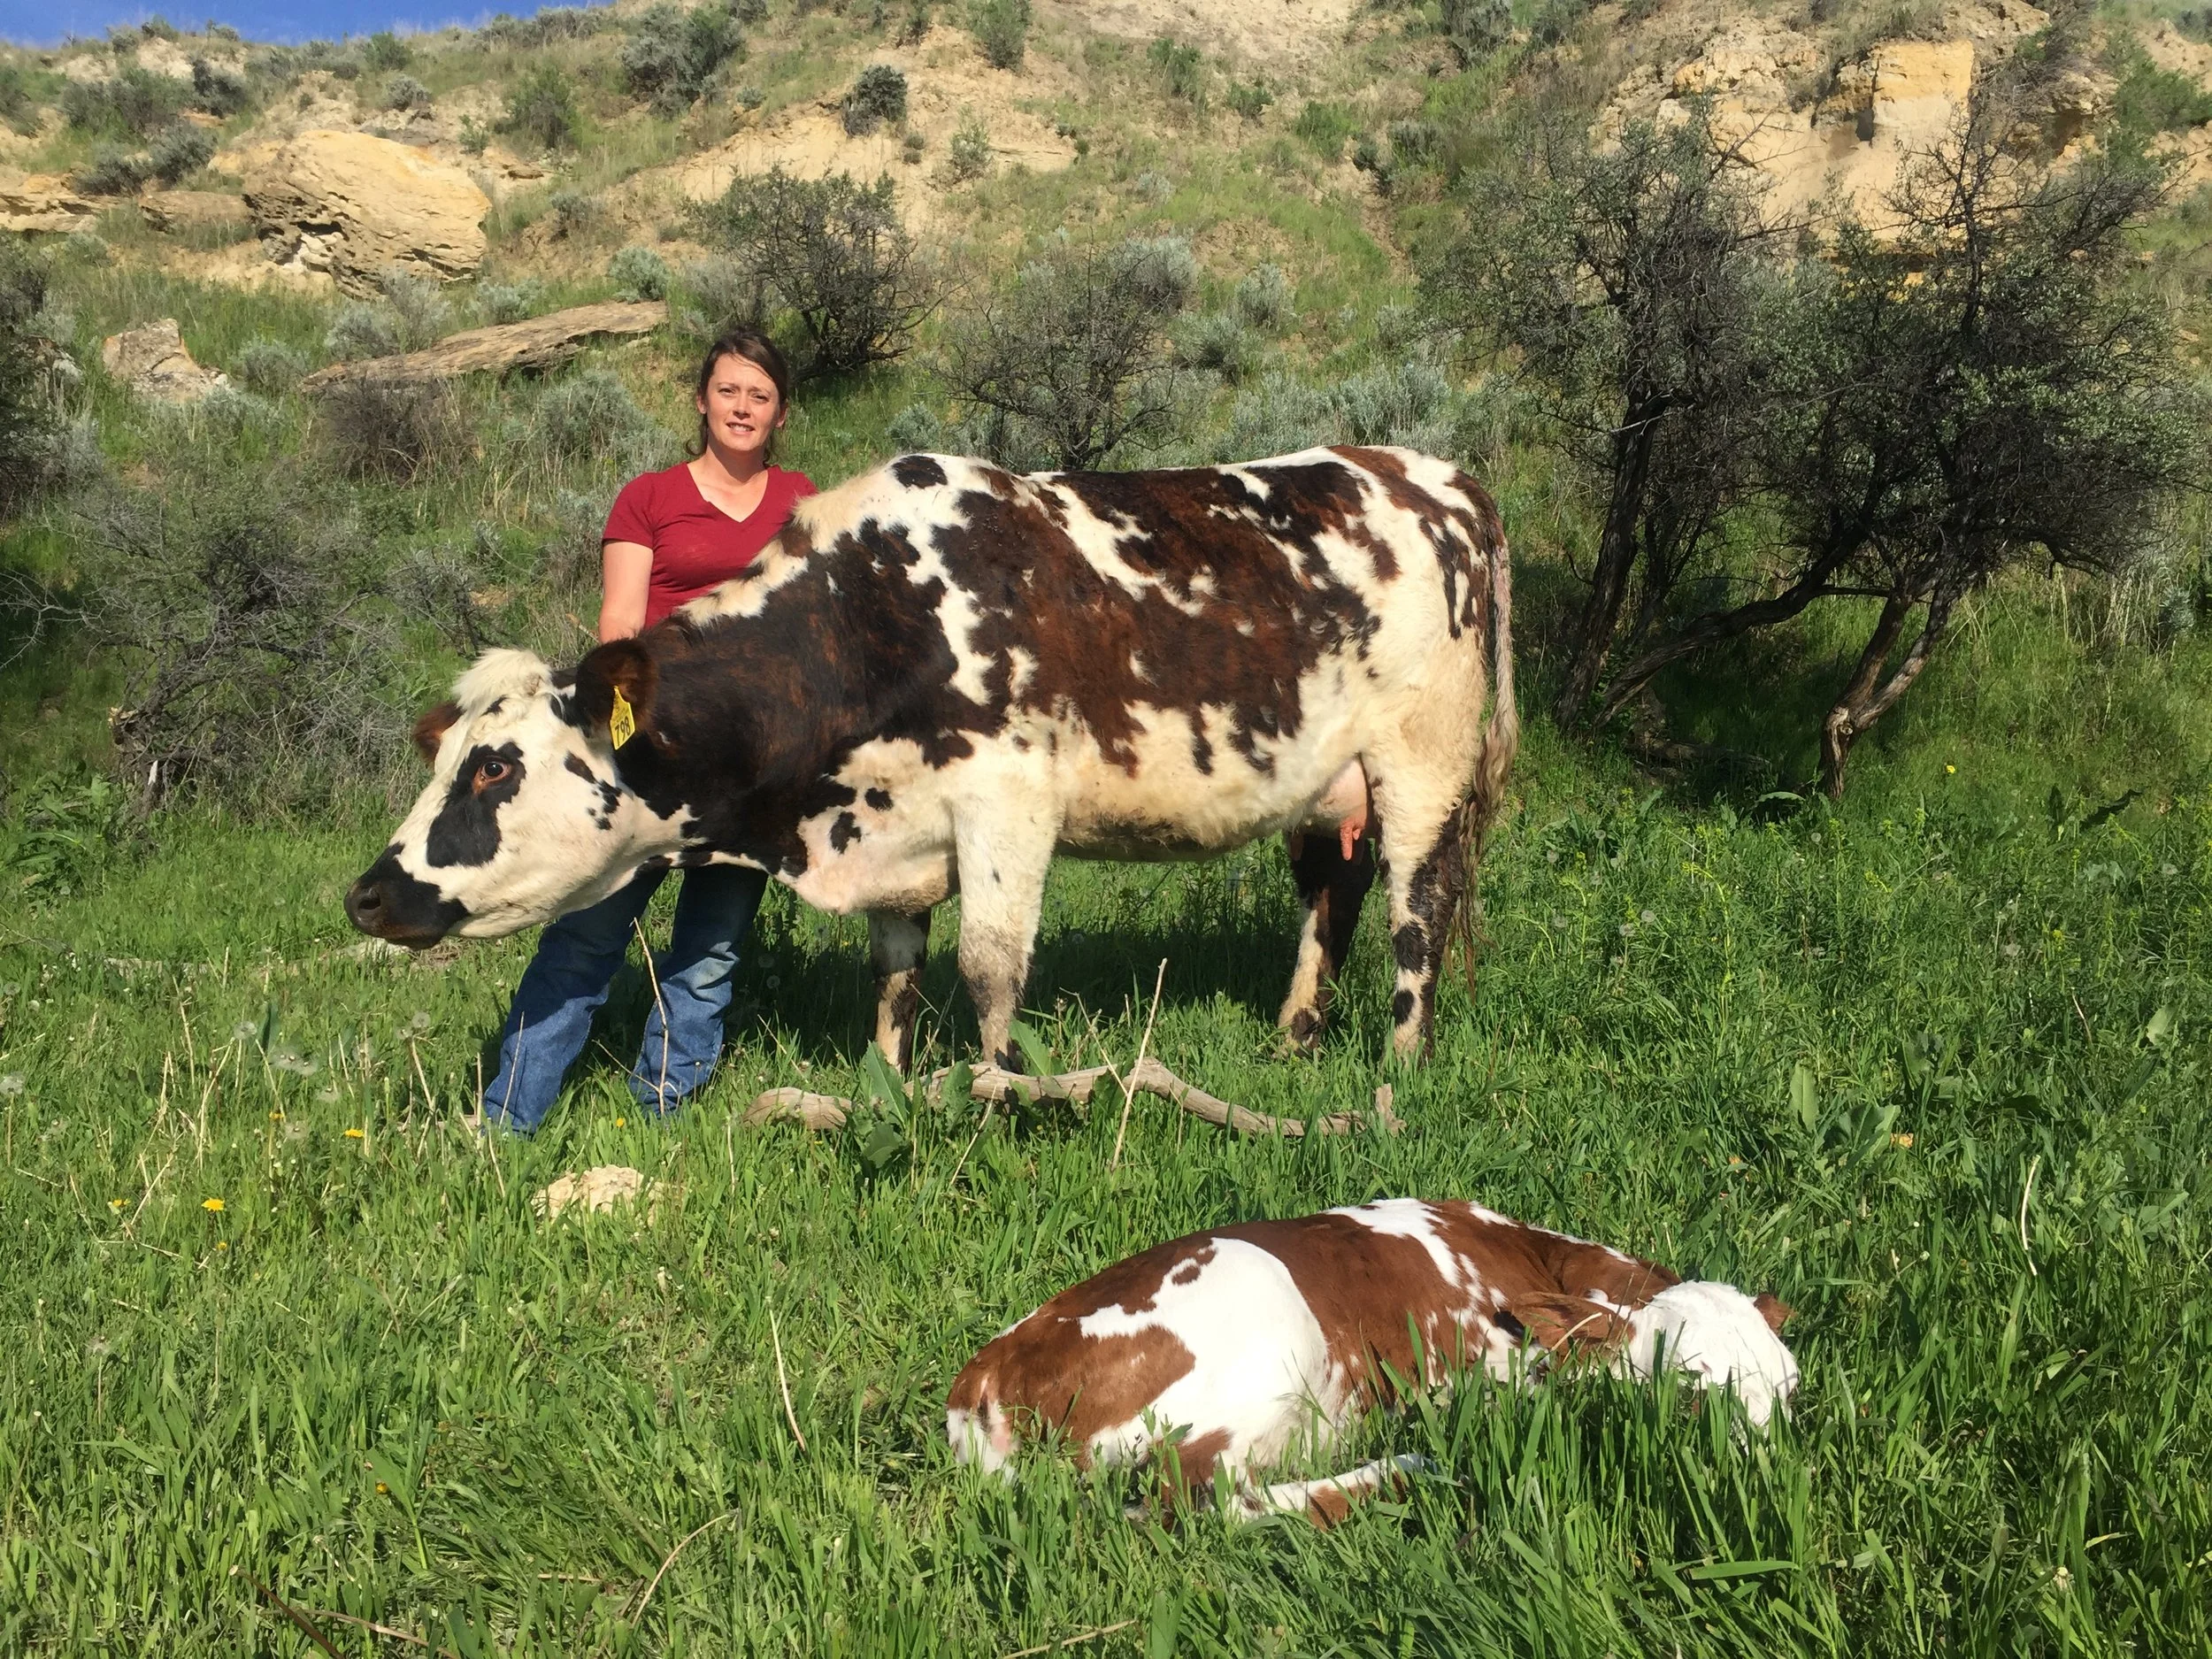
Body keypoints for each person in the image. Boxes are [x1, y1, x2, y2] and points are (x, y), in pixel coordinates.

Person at [481, 330, 816, 1133]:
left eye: (759, 396)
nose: (742, 407)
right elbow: (621, 622)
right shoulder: (651, 497)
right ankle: (507, 1122)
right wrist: (620, 735)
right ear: (702, 400)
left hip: (745, 769)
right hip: (648, 757)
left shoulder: (800, 499)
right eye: (729, 390)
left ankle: (664, 1118)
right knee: (584, 939)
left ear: (779, 414)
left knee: (709, 955)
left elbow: (809, 627)